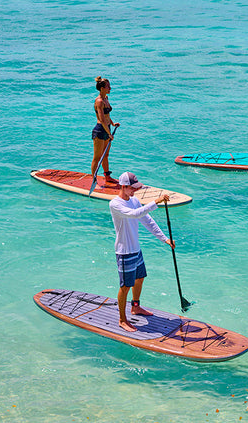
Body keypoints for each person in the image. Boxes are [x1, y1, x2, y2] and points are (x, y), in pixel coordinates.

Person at [109, 171, 174, 332]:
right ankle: (122, 320)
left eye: (136, 188)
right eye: (133, 188)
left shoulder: (134, 200)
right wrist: (155, 202)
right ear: (123, 187)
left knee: (140, 278)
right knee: (125, 286)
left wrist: (164, 239)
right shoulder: (115, 204)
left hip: (136, 248)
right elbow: (134, 214)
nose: (135, 191)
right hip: (124, 252)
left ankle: (135, 307)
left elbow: (147, 220)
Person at [92, 76, 120, 184]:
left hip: (107, 128)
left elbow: (107, 115)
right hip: (100, 130)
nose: (110, 88)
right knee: (97, 157)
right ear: (102, 88)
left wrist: (112, 124)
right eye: (108, 86)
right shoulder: (99, 101)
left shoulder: (106, 98)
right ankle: (94, 180)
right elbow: (102, 119)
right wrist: (109, 134)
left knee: (105, 155)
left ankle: (107, 176)